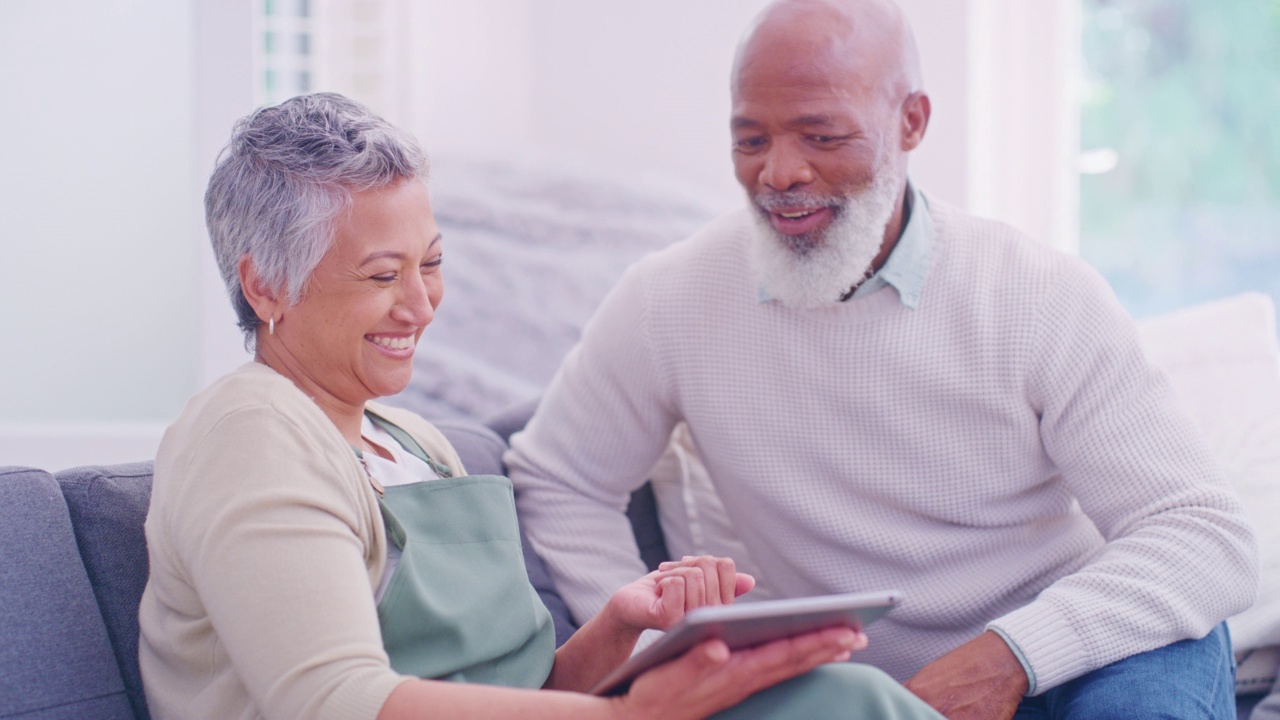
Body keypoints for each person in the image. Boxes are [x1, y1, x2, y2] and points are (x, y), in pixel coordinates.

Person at [504, 1, 1260, 718]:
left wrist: (1007, 657)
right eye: (751, 139)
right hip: (867, 694)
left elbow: (1201, 534)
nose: (780, 174)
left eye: (822, 137)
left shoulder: (1037, 293)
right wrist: (656, 647)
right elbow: (558, 474)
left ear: (911, 122)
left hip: (1081, 652)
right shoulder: (671, 298)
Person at [137, 92, 945, 720]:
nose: (421, 306)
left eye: (434, 263)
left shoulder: (418, 443)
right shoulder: (250, 434)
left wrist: (622, 628)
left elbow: (522, 691)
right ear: (265, 285)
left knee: (839, 700)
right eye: (384, 276)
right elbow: (338, 702)